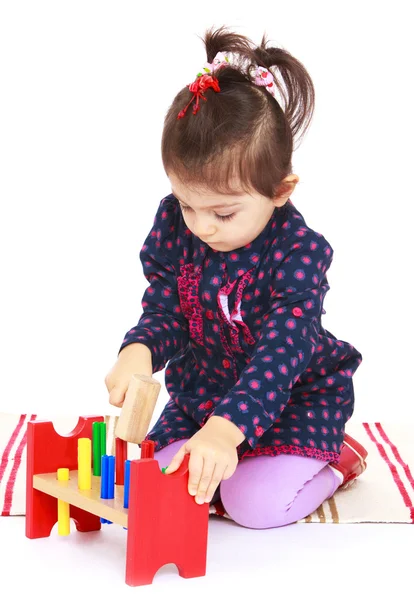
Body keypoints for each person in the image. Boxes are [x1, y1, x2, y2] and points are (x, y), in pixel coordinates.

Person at [105, 26, 367, 529]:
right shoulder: (175, 227)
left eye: (222, 213)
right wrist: (138, 350)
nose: (201, 226)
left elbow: (281, 354)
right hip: (204, 394)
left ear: (280, 190)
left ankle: (336, 459)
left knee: (255, 508)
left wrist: (228, 430)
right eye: (186, 204)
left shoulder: (300, 253)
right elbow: (165, 310)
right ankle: (226, 459)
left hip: (292, 399)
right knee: (144, 491)